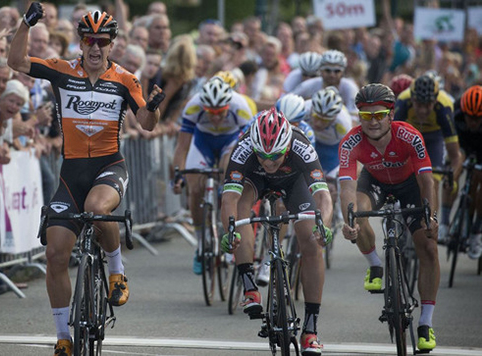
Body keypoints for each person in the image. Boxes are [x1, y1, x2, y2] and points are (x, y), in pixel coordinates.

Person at [7, 5, 164, 355]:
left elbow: (147, 123)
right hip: (71, 172)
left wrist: (153, 107)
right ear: (80, 42)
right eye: (89, 40)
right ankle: (63, 336)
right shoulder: (62, 70)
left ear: (112, 44)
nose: (95, 47)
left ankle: (116, 271)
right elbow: (16, 62)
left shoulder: (126, 79)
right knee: (55, 254)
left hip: (110, 165)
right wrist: (25, 24)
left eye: (102, 41)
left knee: (96, 208)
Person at [220, 107, 333, 356]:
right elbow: (228, 198)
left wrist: (323, 225)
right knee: (239, 216)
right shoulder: (244, 147)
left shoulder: (301, 145)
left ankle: (311, 330)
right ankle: (249, 286)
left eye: (276, 157)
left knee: (312, 244)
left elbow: (323, 195)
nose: (269, 163)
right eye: (262, 157)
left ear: (287, 147)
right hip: (254, 181)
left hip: (294, 183)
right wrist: (230, 230)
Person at [338, 83, 439, 352]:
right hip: (375, 182)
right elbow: (347, 186)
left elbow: (427, 181)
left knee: (428, 246)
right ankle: (375, 265)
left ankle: (426, 324)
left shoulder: (409, 136)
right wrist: (348, 221)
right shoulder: (351, 141)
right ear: (359, 117)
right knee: (358, 214)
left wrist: (431, 216)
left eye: (379, 114)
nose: (373, 122)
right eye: (366, 116)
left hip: (409, 185)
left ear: (390, 114)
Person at [171, 76, 253, 274]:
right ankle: (201, 244)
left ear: (228, 106)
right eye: (211, 113)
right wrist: (178, 175)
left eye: (220, 112)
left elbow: (247, 149)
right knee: (195, 188)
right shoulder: (193, 107)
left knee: (228, 169)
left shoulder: (240, 106)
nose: (216, 117)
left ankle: (228, 235)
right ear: (204, 106)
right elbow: (182, 147)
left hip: (230, 141)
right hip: (203, 143)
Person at [394, 74, 462, 245]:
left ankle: (430, 222)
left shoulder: (444, 106)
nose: (423, 110)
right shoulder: (403, 101)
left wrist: (452, 178)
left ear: (435, 101)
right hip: (409, 134)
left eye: (428, 105)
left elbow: (455, 156)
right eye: (419, 104)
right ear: (412, 99)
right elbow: (391, 142)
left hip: (434, 138)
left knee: (433, 180)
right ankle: (398, 217)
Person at [452, 85, 482, 258]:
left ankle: (476, 231)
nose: (472, 122)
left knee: (479, 178)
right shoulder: (456, 112)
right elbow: (450, 142)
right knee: (455, 172)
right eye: (469, 117)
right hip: (463, 144)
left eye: (477, 119)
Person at [291, 50, 359, 120]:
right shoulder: (309, 85)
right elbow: (290, 100)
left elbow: (354, 116)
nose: (332, 75)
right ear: (320, 70)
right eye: (328, 70)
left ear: (343, 72)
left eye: (336, 71)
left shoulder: (350, 88)